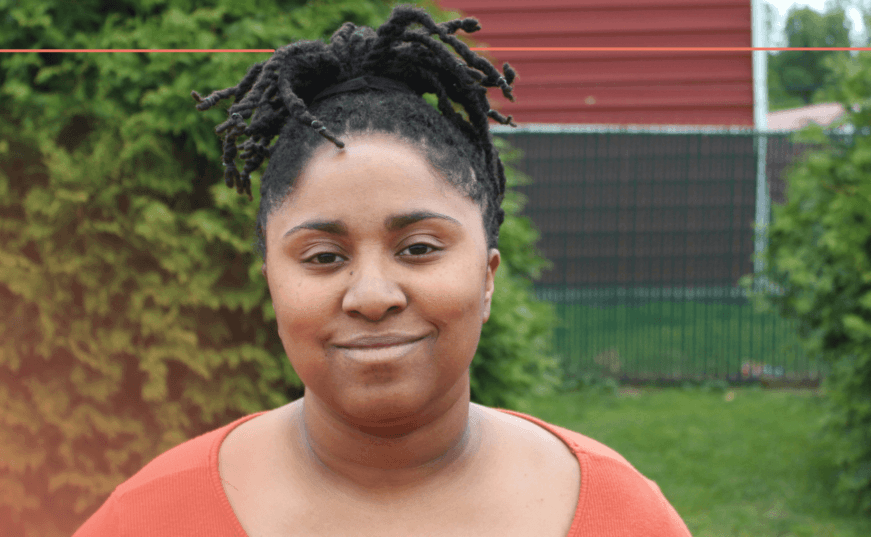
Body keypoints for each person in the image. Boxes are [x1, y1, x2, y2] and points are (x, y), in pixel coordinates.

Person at [74, 5, 692, 536]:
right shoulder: (151, 516)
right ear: (273, 285)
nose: (372, 296)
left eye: (419, 248)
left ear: (487, 278)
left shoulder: (623, 517)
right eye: (323, 257)